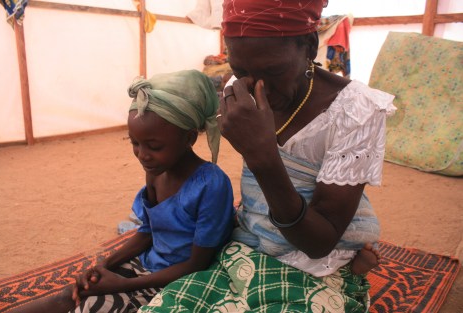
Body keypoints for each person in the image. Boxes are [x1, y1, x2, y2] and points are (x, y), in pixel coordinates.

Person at [138, 1, 396, 312]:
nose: (257, 87)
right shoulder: (238, 90)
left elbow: (318, 242)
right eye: (240, 70)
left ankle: (352, 272)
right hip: (249, 245)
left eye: (274, 70)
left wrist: (262, 156)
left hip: (318, 263)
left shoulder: (358, 111)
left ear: (310, 46)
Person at [9, 69, 235, 313]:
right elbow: (148, 231)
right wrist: (103, 265)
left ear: (189, 138)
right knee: (73, 294)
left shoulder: (211, 185)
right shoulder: (157, 170)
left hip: (183, 280)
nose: (142, 155)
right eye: (134, 143)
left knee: (94, 307)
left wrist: (126, 284)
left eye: (154, 146)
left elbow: (197, 264)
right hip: (148, 267)